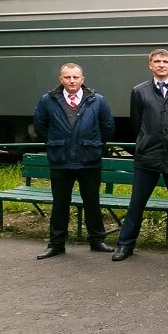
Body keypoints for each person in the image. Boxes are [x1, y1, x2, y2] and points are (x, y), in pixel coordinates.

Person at [112, 50, 168, 261]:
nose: (161, 65)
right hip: (148, 157)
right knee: (136, 203)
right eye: (157, 61)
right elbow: (136, 123)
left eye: (165, 61)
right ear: (150, 65)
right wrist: (146, 141)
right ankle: (125, 244)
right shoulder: (139, 91)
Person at [33, 63, 116, 259]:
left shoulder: (98, 100)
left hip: (89, 160)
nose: (72, 81)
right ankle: (56, 244)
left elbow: (108, 127)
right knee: (60, 203)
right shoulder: (47, 100)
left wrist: (93, 144)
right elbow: (40, 126)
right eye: (67, 77)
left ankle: (97, 240)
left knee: (92, 202)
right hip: (61, 160)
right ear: (60, 79)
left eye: (75, 77)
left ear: (82, 79)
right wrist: (57, 143)